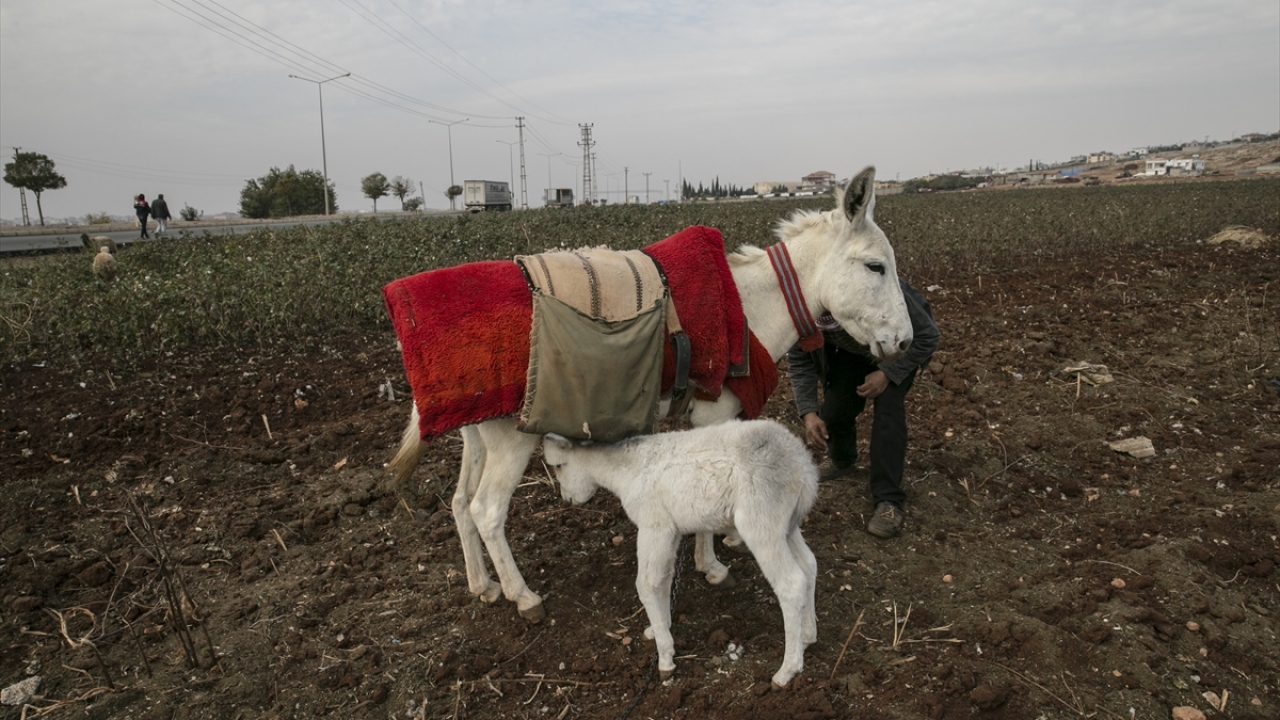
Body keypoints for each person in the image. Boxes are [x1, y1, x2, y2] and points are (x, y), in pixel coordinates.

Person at [787, 278, 939, 539]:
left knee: (888, 416)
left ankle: (889, 500)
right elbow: (800, 358)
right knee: (833, 412)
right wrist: (809, 412)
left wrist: (887, 374)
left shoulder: (877, 288)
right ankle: (843, 460)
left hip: (896, 350)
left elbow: (927, 336)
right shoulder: (802, 304)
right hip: (853, 351)